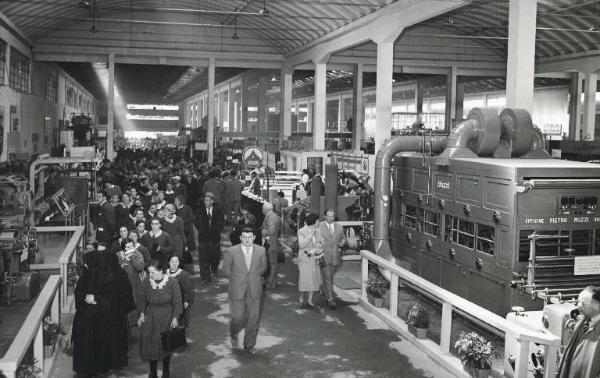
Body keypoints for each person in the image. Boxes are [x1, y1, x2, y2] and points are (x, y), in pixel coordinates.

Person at [222, 227, 267, 353]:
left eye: (250, 237)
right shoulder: (231, 251)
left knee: (253, 317)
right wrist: (237, 278)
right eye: (244, 237)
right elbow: (226, 269)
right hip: (237, 288)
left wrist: (253, 277)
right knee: (238, 317)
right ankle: (234, 331)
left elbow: (263, 268)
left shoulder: (261, 251)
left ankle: (249, 344)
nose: (247, 240)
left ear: (254, 237)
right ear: (240, 238)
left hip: (255, 288)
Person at [137, 259, 183, 378]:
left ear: (161, 271)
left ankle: (166, 371)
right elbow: (141, 299)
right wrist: (142, 314)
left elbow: (177, 301)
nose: (150, 275)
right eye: (149, 273)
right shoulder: (147, 282)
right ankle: (153, 372)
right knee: (150, 343)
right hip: (150, 315)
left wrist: (175, 317)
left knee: (164, 344)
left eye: (153, 273)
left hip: (166, 315)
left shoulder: (172, 282)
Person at [72, 249, 111, 375]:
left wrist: (95, 298)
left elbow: (111, 297)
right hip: (85, 317)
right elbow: (78, 292)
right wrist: (85, 297)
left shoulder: (107, 276)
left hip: (99, 319)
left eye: (87, 262)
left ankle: (96, 369)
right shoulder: (86, 275)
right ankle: (85, 370)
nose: (85, 265)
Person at [103, 252, 136, 371]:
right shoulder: (121, 273)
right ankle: (121, 359)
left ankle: (113, 360)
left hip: (112, 311)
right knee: (120, 335)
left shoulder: (107, 274)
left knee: (112, 336)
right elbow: (127, 291)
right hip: (120, 311)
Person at [557, 286, 600, 378]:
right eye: (578, 302)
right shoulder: (582, 323)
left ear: (596, 305)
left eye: (583, 303)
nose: (578, 306)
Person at [318, 208, 347, 309]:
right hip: (323, 256)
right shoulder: (319, 226)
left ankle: (323, 289)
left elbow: (343, 238)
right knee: (328, 277)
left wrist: (343, 242)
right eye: (329, 216)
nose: (331, 218)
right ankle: (330, 298)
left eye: (333, 216)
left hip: (335, 256)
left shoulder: (339, 227)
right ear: (325, 216)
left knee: (328, 276)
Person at [194, 192, 224, 284]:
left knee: (215, 256)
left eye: (207, 200)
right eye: (205, 200)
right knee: (203, 258)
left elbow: (222, 222)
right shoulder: (200, 210)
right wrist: (202, 229)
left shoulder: (218, 211)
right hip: (203, 238)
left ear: (212, 201)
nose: (205, 202)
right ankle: (205, 278)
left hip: (215, 238)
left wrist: (217, 230)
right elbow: (196, 222)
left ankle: (214, 269)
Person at [297, 213, 323, 309]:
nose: (318, 223)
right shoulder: (301, 231)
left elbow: (320, 243)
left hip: (314, 257)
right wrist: (310, 235)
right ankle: (301, 298)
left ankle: (309, 300)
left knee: (313, 278)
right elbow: (301, 245)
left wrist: (317, 249)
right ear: (313, 221)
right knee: (304, 278)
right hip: (304, 258)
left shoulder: (318, 231)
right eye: (317, 221)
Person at [167, 255, 194, 327]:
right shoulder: (165, 273)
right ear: (169, 263)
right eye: (172, 261)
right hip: (167, 301)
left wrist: (186, 300)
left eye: (176, 261)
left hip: (179, 301)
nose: (174, 263)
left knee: (178, 322)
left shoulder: (184, 274)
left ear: (179, 263)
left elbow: (187, 289)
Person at [261, 202, 280, 290]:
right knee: (272, 263)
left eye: (262, 208)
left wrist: (262, 232)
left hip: (270, 243)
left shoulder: (271, 217)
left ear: (266, 209)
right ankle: (272, 283)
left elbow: (271, 231)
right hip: (272, 243)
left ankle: (270, 283)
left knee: (272, 264)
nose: (261, 210)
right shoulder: (272, 216)